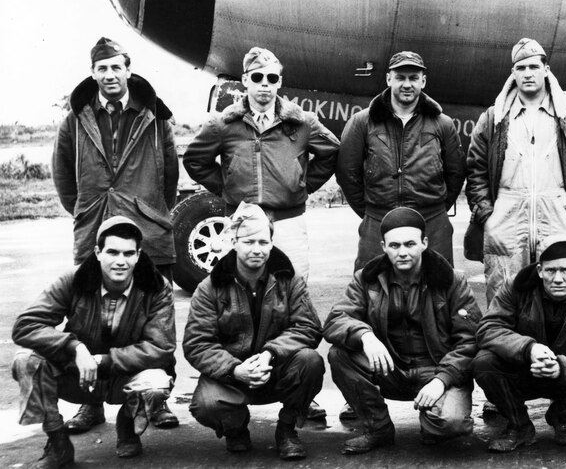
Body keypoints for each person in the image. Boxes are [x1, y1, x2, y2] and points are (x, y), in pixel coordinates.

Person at [51, 36, 179, 432]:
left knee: (155, 322)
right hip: (95, 233)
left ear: (128, 69)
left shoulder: (155, 116)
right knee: (91, 321)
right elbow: (62, 176)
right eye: (101, 68)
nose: (109, 74)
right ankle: (92, 405)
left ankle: (155, 401)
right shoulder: (75, 119)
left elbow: (169, 176)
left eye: (116, 67)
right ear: (93, 73)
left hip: (148, 235)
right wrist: (86, 211)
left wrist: (151, 210)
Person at [12, 216, 176, 465]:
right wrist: (74, 347)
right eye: (112, 252)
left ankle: (127, 425)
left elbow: (161, 347)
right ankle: (58, 444)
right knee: (26, 361)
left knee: (156, 382)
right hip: (77, 374)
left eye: (129, 253)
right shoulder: (74, 280)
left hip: (124, 375)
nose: (121, 261)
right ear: (98, 252)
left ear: (138, 255)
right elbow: (25, 326)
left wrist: (103, 360)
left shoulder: (156, 287)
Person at [465, 37, 566, 306]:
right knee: (503, 292)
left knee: (562, 289)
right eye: (521, 68)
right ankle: (506, 346)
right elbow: (475, 168)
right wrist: (487, 212)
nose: (528, 73)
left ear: (546, 69)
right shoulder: (494, 117)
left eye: (534, 66)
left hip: (559, 213)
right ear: (513, 74)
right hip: (505, 217)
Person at [324, 207, 481, 455]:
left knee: (449, 425)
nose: (403, 252)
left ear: (424, 243)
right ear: (383, 246)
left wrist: (442, 380)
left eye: (410, 244)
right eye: (395, 245)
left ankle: (433, 421)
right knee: (339, 354)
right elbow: (335, 319)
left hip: (437, 369)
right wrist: (365, 336)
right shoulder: (366, 279)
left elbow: (470, 340)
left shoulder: (452, 280)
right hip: (390, 368)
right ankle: (378, 429)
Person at [184, 46, 340, 281]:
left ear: (279, 82)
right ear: (246, 80)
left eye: (272, 78)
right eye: (257, 77)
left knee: (293, 286)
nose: (265, 83)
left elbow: (331, 152)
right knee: (240, 290)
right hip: (242, 221)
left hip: (289, 221)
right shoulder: (223, 124)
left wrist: (303, 185)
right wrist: (226, 186)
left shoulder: (303, 122)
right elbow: (195, 160)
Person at [183, 202, 324, 460]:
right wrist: (236, 370)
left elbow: (309, 327)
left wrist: (271, 353)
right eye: (248, 242)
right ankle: (235, 428)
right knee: (206, 404)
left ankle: (287, 429)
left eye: (263, 242)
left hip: (277, 370)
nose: (257, 249)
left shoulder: (290, 280)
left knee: (310, 362)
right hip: (232, 376)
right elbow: (197, 344)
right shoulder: (209, 287)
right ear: (234, 242)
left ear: (271, 243)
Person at [473, 235, 566, 452]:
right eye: (551, 271)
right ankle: (519, 425)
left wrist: (562, 367)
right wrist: (528, 348)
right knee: (483, 362)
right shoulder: (516, 287)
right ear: (540, 270)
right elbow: (489, 328)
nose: (558, 278)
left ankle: (562, 415)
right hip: (525, 371)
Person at [337, 51, 466, 270]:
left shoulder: (442, 124)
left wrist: (437, 209)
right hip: (379, 219)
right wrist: (371, 211)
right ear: (389, 79)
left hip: (432, 222)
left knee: (438, 292)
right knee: (372, 289)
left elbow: (456, 172)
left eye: (413, 78)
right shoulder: (362, 122)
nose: (407, 84)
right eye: (400, 78)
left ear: (423, 81)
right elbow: (347, 172)